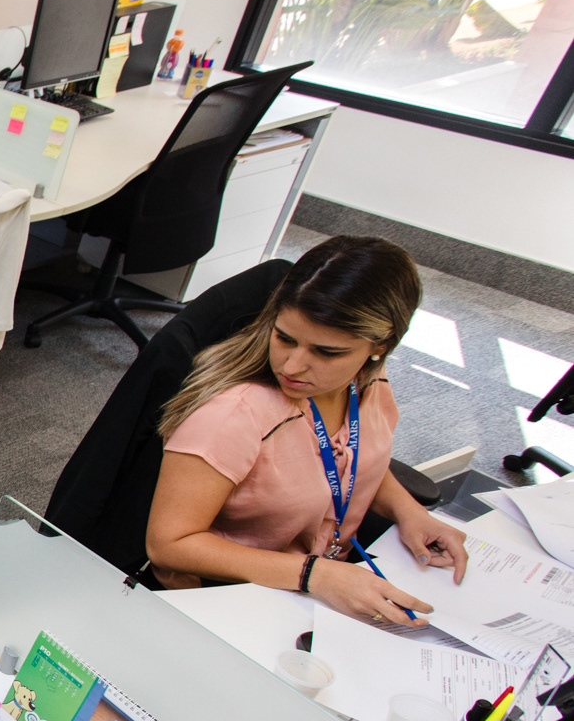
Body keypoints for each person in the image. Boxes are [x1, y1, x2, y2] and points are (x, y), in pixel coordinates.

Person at [146, 235, 467, 622]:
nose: (292, 366)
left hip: (320, 587)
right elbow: (168, 545)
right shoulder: (234, 415)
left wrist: (409, 511)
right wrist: (316, 575)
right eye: (284, 338)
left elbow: (353, 461)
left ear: (379, 346)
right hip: (231, 600)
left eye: (327, 352)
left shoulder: (368, 386)